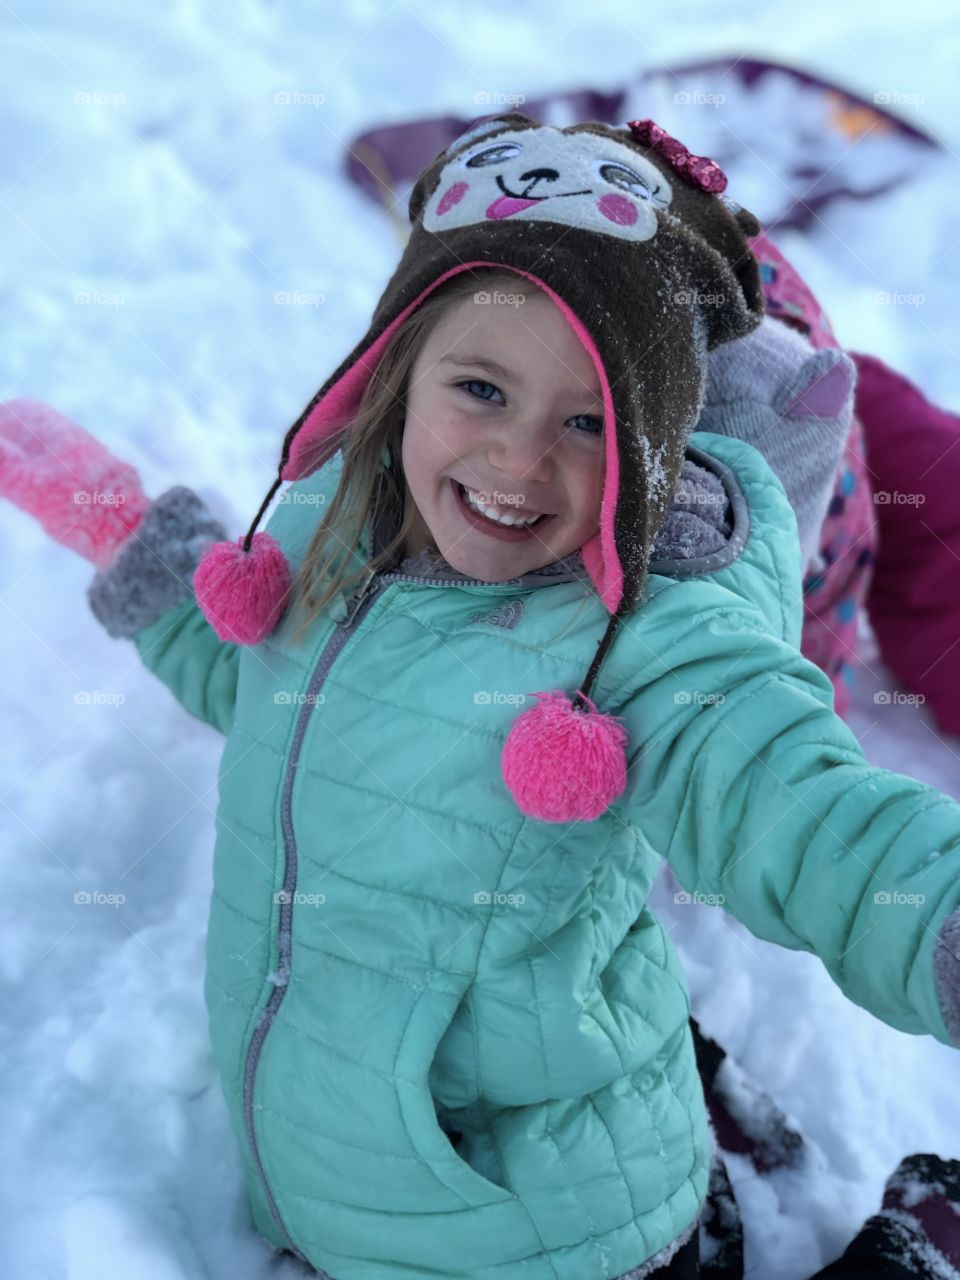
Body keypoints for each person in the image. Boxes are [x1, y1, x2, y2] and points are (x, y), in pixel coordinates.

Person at [3, 112, 960, 1280]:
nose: (518, 458)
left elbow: (795, 804)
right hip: (365, 1182)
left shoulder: (638, 641)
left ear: (655, 447)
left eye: (589, 419)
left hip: (540, 1236)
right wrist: (131, 538)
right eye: (481, 387)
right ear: (394, 377)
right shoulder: (330, 532)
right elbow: (261, 675)